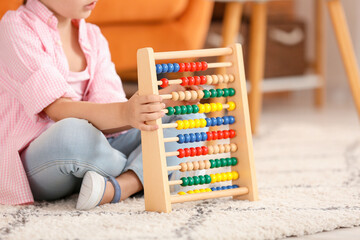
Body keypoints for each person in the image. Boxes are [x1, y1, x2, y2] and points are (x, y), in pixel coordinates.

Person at [0, 0, 202, 210]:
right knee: (73, 132)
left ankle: (122, 186)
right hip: (43, 159)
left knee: (190, 119)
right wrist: (127, 113)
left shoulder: (93, 36)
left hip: (99, 147)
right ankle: (156, 168)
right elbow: (59, 110)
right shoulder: (14, 28)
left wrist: (158, 103)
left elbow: (113, 113)